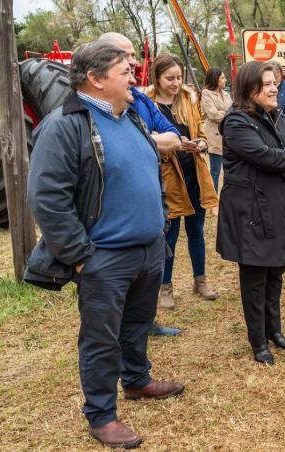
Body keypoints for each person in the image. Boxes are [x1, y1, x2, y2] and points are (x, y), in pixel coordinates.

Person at [24, 42, 184, 448]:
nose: (134, 75)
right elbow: (47, 199)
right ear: (95, 79)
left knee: (136, 325)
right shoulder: (64, 125)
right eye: (124, 69)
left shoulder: (128, 117)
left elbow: (148, 171)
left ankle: (136, 380)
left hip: (148, 249)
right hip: (104, 258)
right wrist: (80, 257)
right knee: (101, 337)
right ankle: (100, 414)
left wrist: (160, 218)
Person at [217, 61, 285, 364]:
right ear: (249, 87)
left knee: (275, 274)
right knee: (255, 279)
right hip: (252, 213)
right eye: (266, 84)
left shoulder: (276, 116)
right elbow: (268, 158)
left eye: (274, 83)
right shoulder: (236, 122)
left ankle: (275, 331)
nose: (274, 88)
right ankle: (258, 342)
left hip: (279, 207)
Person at [96, 32, 184, 337]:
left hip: (149, 210)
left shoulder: (141, 100)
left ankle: (146, 327)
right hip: (112, 227)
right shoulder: (86, 114)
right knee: (109, 318)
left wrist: (141, 139)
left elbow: (173, 137)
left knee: (145, 284)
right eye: (125, 55)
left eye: (133, 55)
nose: (133, 62)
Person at [146, 53, 219, 309]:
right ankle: (165, 287)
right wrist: (171, 147)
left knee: (197, 232)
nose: (176, 83)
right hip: (168, 179)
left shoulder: (190, 98)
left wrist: (199, 144)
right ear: (157, 77)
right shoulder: (148, 103)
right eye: (170, 78)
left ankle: (200, 280)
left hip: (194, 174)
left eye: (179, 77)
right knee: (170, 235)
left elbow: (201, 135)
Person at [201, 67, 233, 203]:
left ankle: (227, 199)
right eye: (223, 77)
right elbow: (213, 114)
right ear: (216, 79)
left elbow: (233, 111)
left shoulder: (225, 94)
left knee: (229, 170)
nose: (225, 80)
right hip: (214, 136)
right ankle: (212, 201)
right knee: (215, 171)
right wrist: (225, 114)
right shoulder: (206, 93)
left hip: (227, 136)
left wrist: (222, 113)